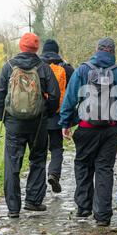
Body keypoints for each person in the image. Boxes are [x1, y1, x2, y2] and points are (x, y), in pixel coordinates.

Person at [59, 37, 117, 227]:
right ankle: (102, 215)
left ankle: (84, 207)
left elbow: (69, 98)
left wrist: (65, 122)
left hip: (85, 128)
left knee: (83, 165)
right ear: (113, 52)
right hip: (109, 130)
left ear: (97, 50)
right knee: (104, 169)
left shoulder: (83, 70)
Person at [0, 33, 60, 219]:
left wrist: (3, 117)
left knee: (12, 163)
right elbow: (54, 95)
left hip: (14, 123)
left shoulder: (8, 67)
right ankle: (33, 201)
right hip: (38, 123)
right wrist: (46, 112)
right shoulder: (44, 68)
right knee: (38, 160)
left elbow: (0, 95)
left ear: (21, 46)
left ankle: (13, 208)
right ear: (36, 48)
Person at [40, 39, 74, 194]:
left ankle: (38, 184)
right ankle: (53, 173)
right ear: (57, 51)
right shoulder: (66, 68)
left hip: (38, 116)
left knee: (39, 151)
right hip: (57, 115)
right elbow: (74, 93)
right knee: (56, 148)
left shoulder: (36, 66)